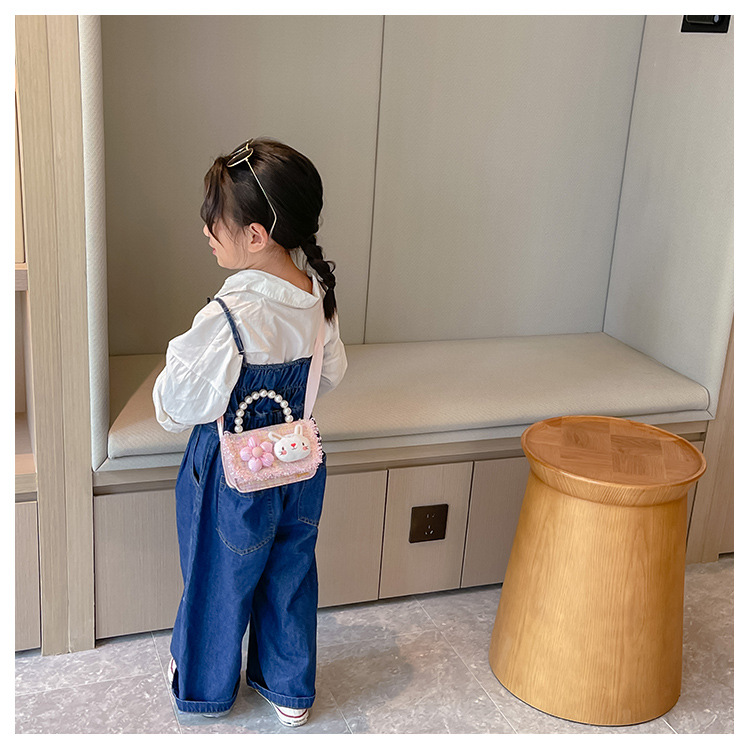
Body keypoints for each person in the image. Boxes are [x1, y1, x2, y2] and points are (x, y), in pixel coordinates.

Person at [152, 138, 347, 726]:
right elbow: (330, 373)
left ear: (257, 234)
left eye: (216, 218)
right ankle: (289, 689)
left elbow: (175, 403)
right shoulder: (315, 295)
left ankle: (205, 686)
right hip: (299, 463)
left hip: (231, 475)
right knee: (290, 573)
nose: (206, 229)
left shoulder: (229, 314)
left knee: (218, 576)